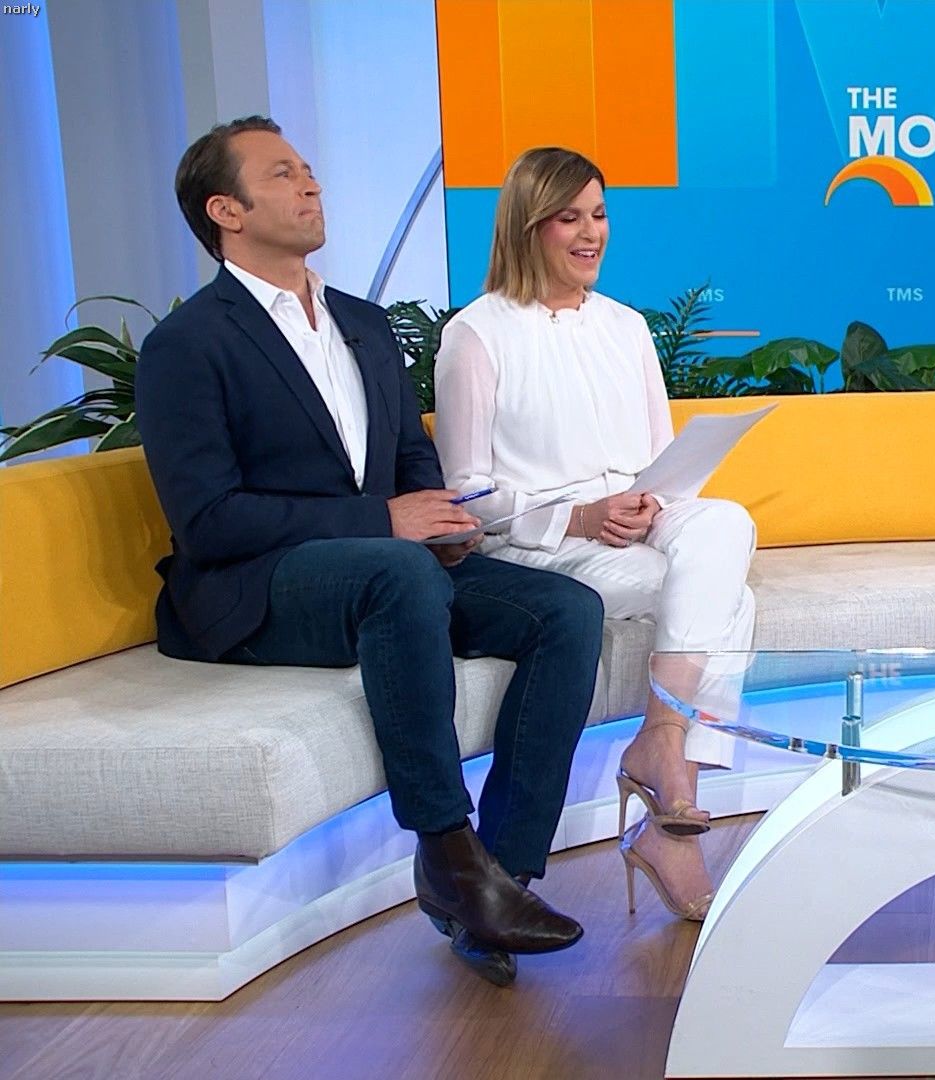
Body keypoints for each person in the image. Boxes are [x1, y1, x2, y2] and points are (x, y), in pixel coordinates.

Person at [137, 117, 606, 985]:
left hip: (388, 571)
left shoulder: (361, 322)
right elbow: (209, 520)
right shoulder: (187, 345)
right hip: (255, 588)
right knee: (395, 569)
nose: (311, 185)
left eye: (309, 169)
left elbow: (408, 456)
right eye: (282, 174)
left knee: (566, 610)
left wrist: (445, 517)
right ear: (225, 211)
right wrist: (384, 522)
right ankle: (446, 850)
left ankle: (503, 876)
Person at [433, 147, 758, 922]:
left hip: (639, 527)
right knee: (727, 602)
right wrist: (578, 516)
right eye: (570, 218)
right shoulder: (476, 335)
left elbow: (661, 458)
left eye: (600, 215)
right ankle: (670, 805)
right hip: (546, 548)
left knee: (727, 521)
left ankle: (662, 745)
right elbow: (465, 492)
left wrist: (653, 501)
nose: (592, 233)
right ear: (528, 227)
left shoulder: (627, 327)